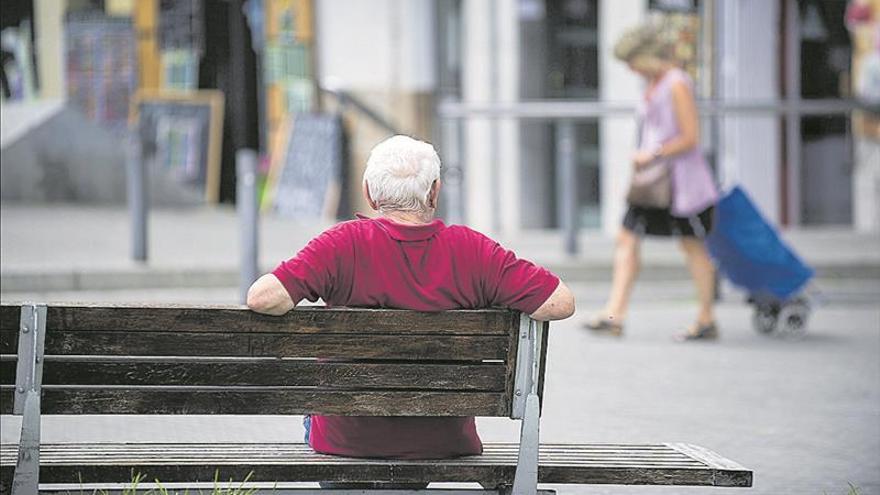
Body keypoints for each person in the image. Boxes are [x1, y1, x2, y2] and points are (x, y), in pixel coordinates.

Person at [247, 135, 575, 461]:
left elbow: (263, 299)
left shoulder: (340, 245)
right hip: (442, 442)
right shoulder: (473, 250)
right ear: (435, 191)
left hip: (348, 441)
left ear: (369, 194)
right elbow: (560, 302)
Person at [584, 23, 719, 341]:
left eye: (631, 62)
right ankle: (614, 314)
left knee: (692, 246)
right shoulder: (656, 82)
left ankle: (706, 318)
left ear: (646, 56)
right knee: (627, 238)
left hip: (682, 185)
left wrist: (652, 154)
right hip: (652, 183)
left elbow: (690, 137)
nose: (630, 70)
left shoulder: (676, 83)